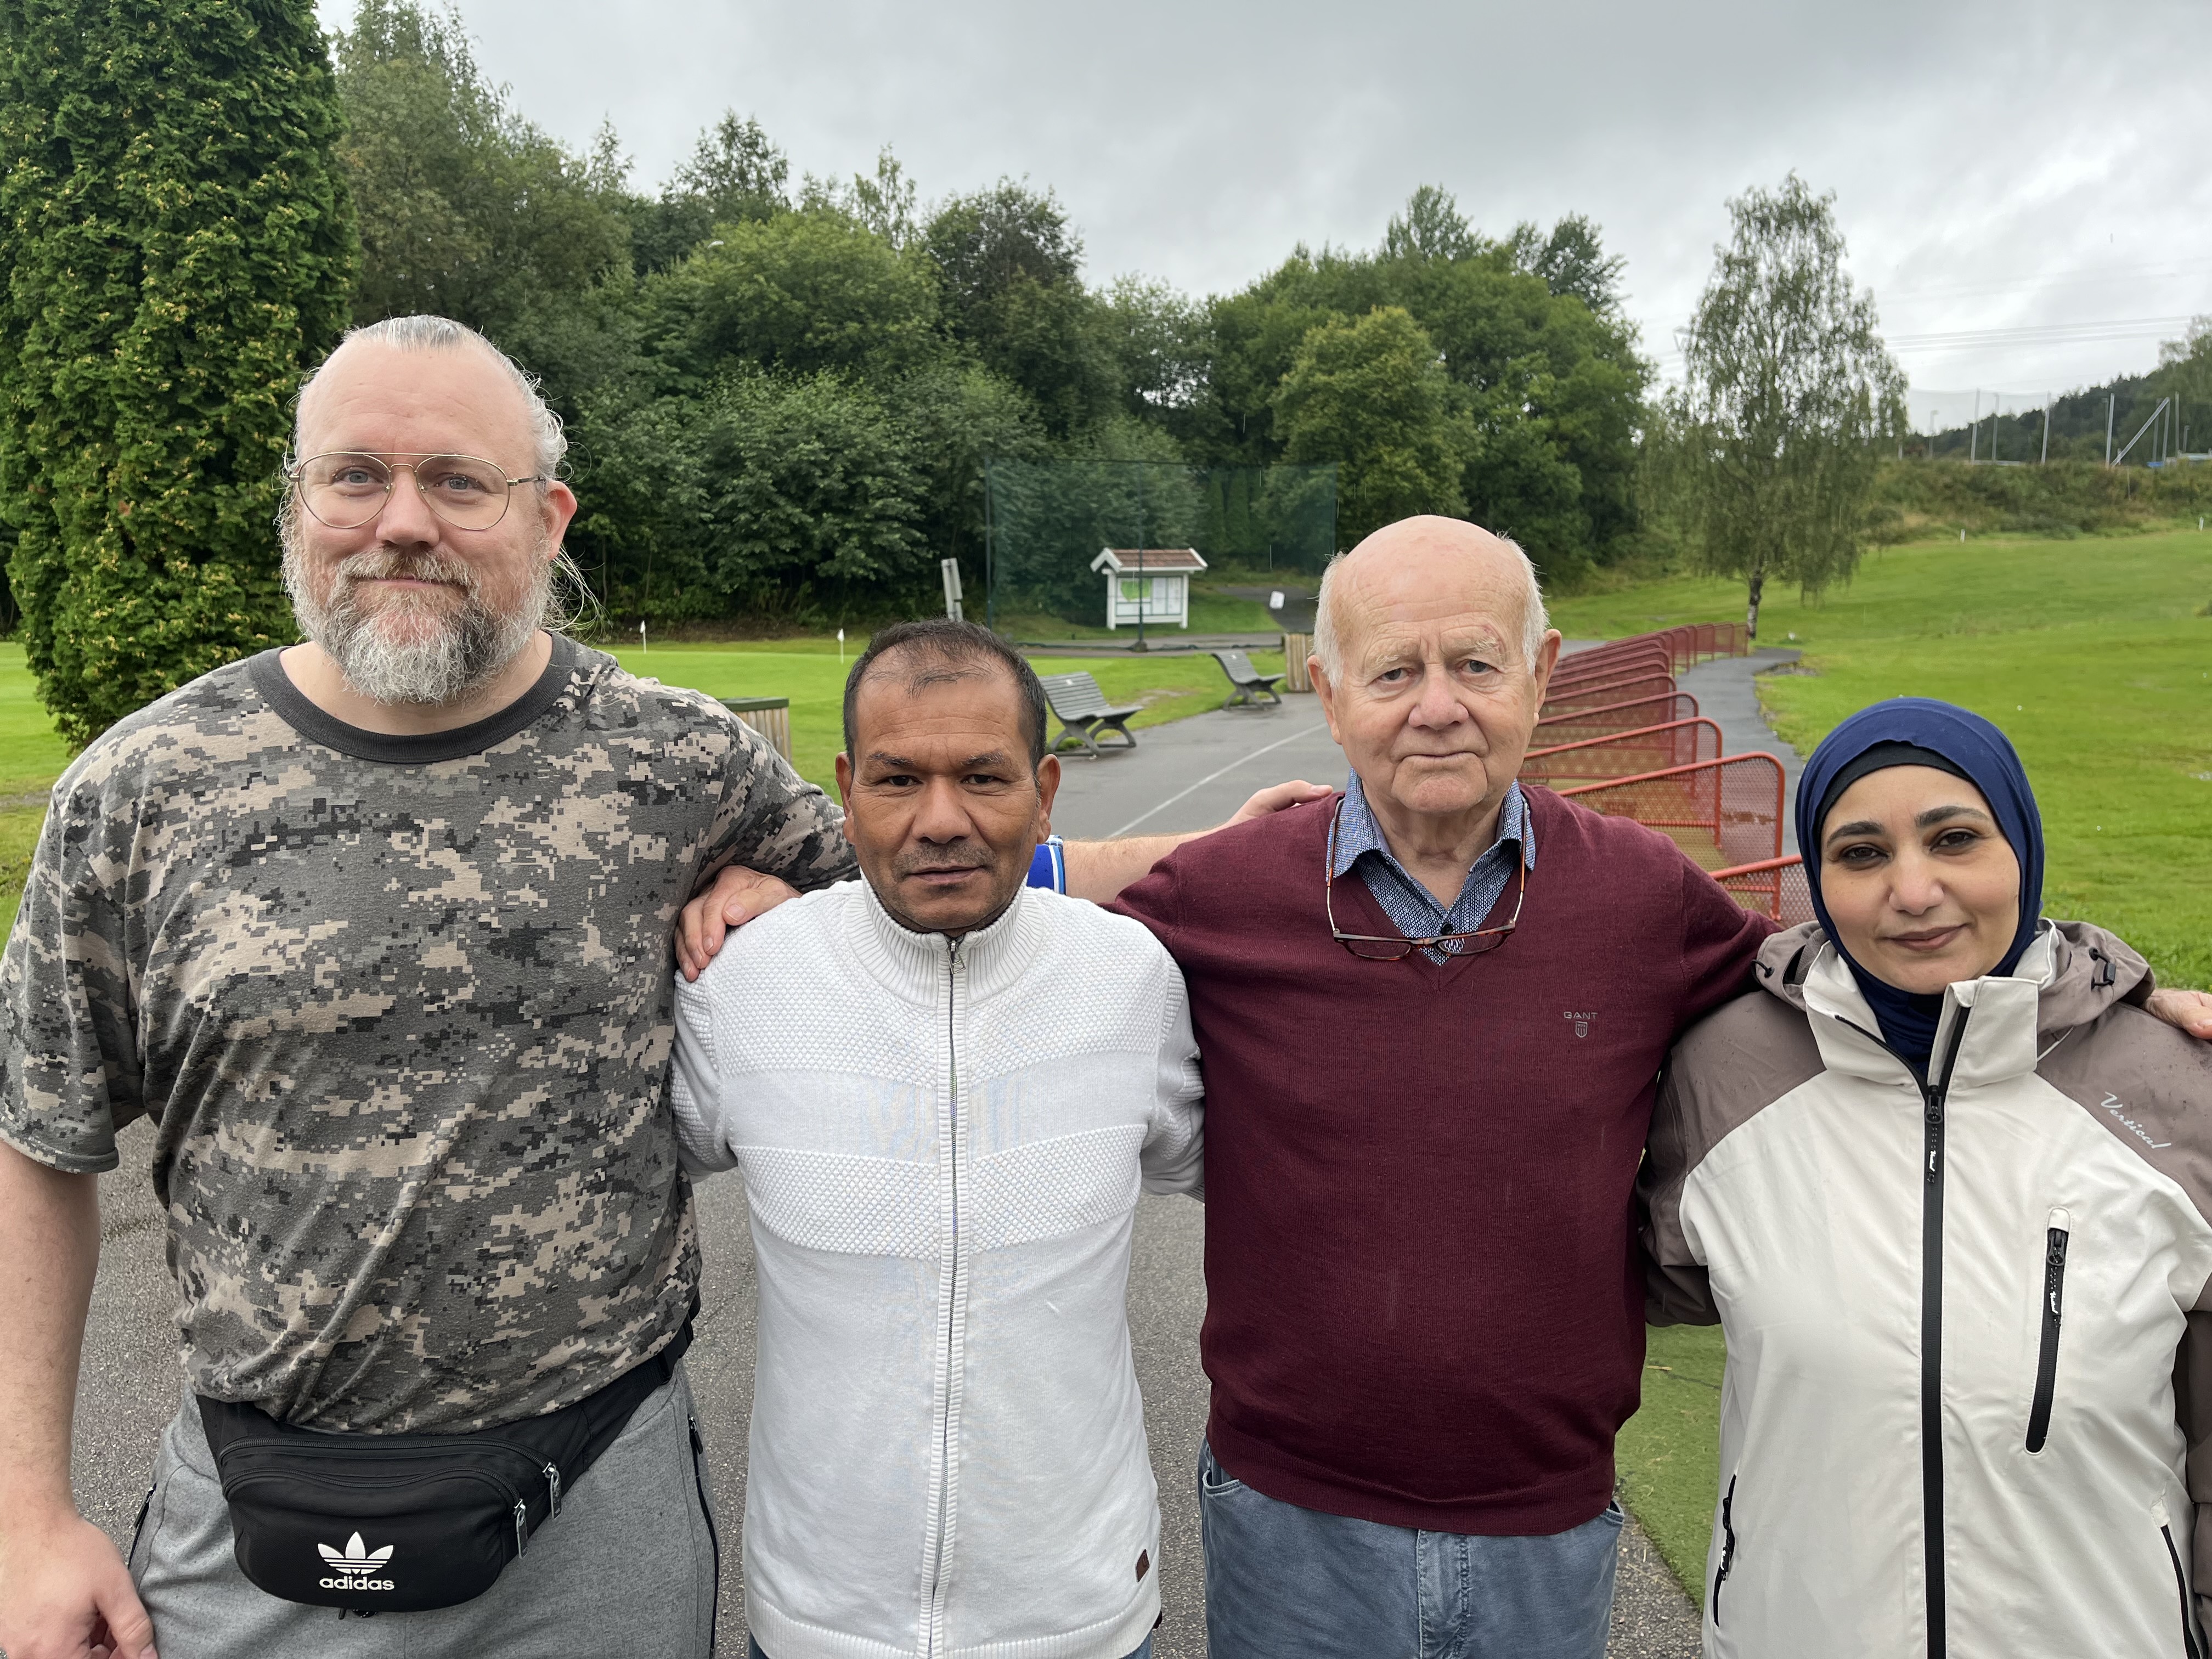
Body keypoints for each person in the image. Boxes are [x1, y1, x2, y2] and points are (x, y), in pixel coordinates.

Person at [680, 517, 2212, 1657]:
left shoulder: (1648, 903)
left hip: (1547, 1518)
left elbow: (1880, 972)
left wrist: (2112, 1007)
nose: (1436, 704)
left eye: (1475, 664)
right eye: (1394, 669)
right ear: (1328, 690)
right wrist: (787, 884)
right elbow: (997, 884)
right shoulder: (1220, 894)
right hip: (1284, 1520)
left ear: (1537, 678)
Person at [670, 619, 1202, 1659]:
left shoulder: (1132, 981)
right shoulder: (745, 986)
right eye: (898, 779)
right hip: (822, 1620)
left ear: (1045, 792)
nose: (941, 820)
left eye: (985, 778)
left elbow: (1242, 1175)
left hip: (1083, 1616)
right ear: (847, 788)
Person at [1640, 700, 2212, 1658]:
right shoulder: (1723, 1074)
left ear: (2021, 847)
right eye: (1861, 854)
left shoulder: (2174, 1088)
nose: (1914, 890)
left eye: (1955, 838)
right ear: (1817, 879)